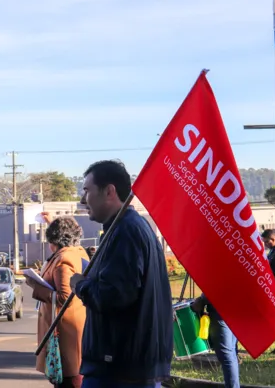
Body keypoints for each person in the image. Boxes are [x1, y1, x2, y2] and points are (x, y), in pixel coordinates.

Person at [70, 160, 173, 388]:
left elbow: (114, 295)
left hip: (118, 369)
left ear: (109, 191)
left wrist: (80, 285)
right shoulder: (126, 228)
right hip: (125, 365)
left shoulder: (126, 231)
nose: (82, 200)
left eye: (87, 191)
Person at [27, 216, 90, 388]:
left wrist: (35, 286)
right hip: (70, 331)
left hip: (66, 334)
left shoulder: (64, 259)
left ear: (53, 239)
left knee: (69, 382)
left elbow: (65, 297)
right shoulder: (76, 252)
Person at [191, 295, 240, 388]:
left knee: (226, 356)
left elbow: (216, 287)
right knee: (232, 353)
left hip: (221, 310)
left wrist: (202, 299)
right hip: (236, 309)